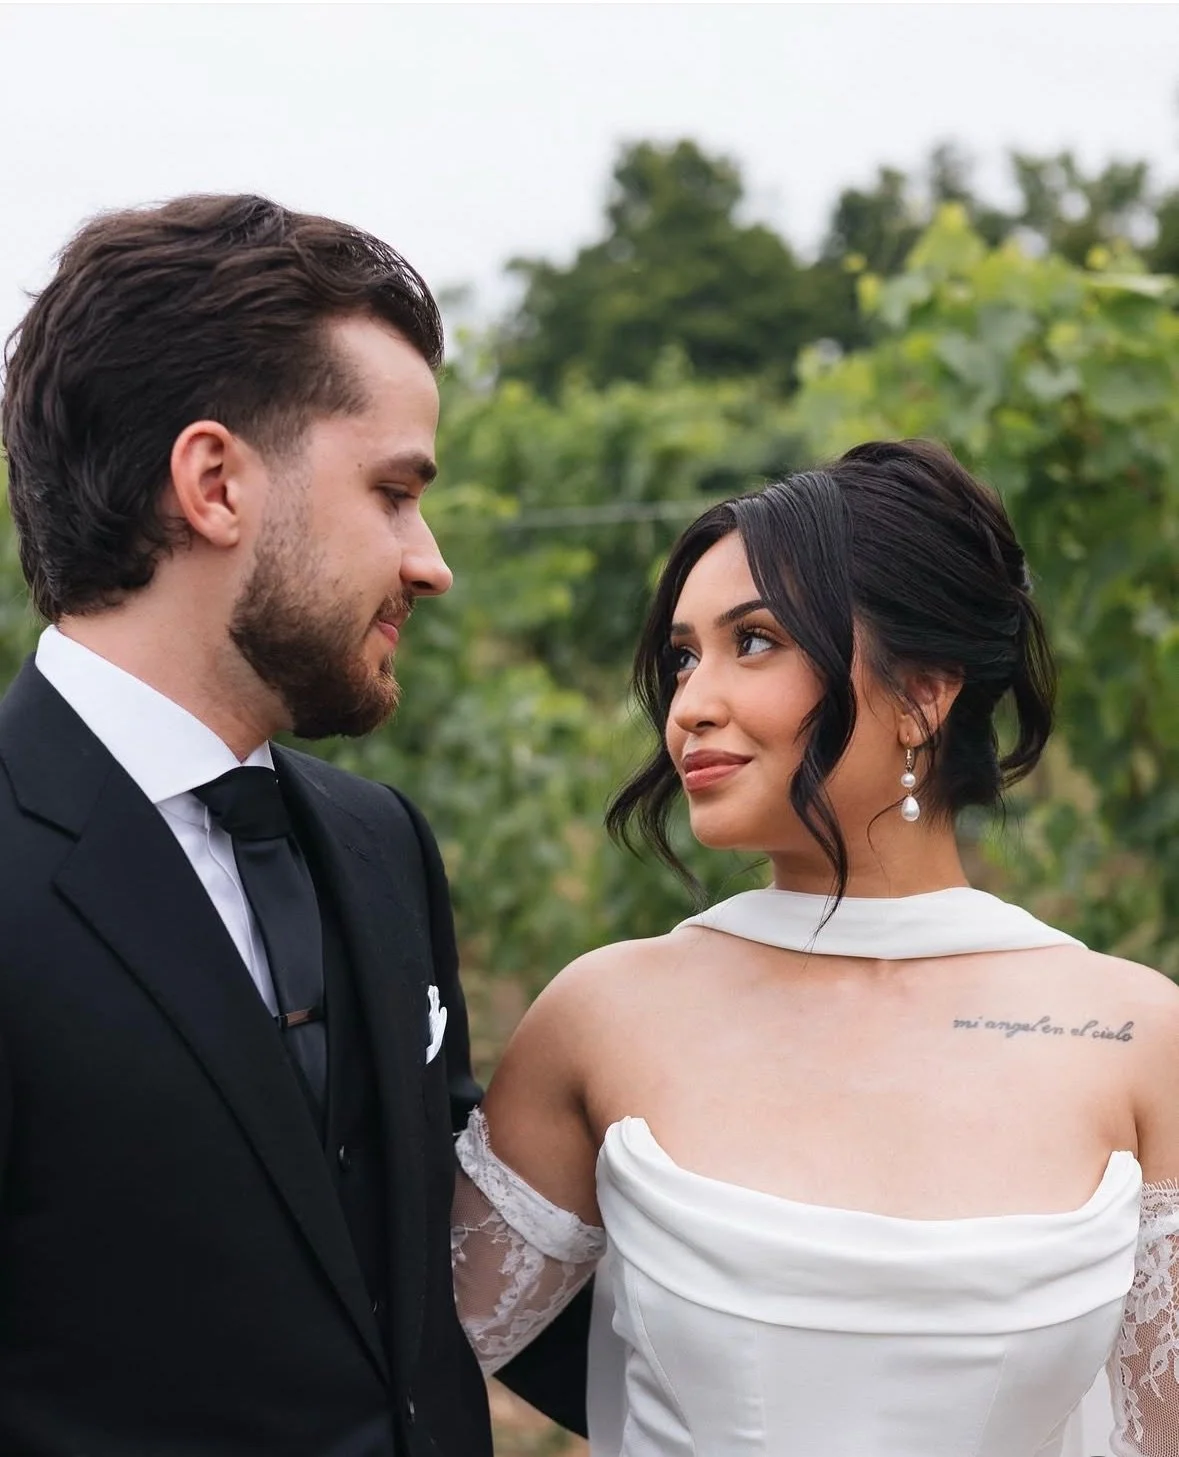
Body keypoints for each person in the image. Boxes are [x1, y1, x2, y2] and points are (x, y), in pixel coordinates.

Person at [450, 439, 1179, 1456]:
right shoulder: (602, 1014)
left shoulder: (1136, 1035)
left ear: (923, 693)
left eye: (753, 641)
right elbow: (401, 1373)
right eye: (682, 655)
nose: (691, 703)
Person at [0, 194, 585, 1457]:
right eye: (393, 492)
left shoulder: (379, 844)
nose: (430, 561)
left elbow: (427, 1263)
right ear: (214, 482)